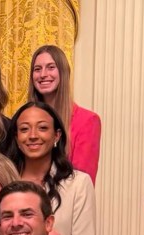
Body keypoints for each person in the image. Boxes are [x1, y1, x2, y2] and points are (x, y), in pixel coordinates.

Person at [5, 101, 95, 235]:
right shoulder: (4, 181)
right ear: (16, 137)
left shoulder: (78, 183)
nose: (33, 135)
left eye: (42, 128)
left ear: (57, 136)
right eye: (24, 129)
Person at [28, 45, 101, 184]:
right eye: (37, 69)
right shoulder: (23, 120)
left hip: (67, 196)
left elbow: (82, 182)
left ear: (63, 72)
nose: (43, 74)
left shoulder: (87, 121)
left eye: (51, 67)